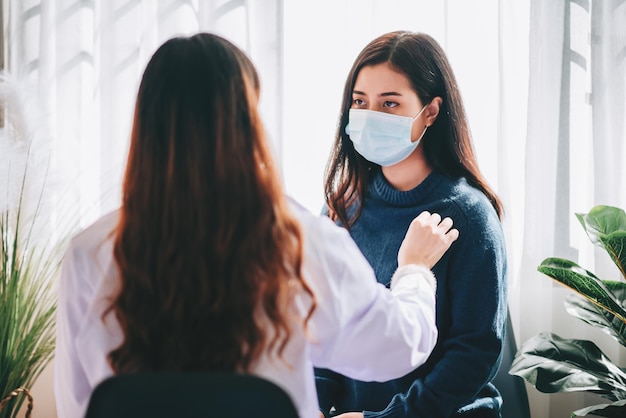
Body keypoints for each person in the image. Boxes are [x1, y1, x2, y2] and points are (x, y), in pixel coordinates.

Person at [53, 32, 460, 418]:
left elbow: (78, 406)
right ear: (247, 124)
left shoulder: (89, 254)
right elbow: (399, 346)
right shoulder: (298, 241)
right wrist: (415, 271)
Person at [315, 31, 508, 418]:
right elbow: (323, 331)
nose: (371, 116)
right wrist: (313, 405)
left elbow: (474, 350)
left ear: (431, 112)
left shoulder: (468, 216)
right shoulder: (340, 209)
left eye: (390, 103)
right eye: (360, 102)